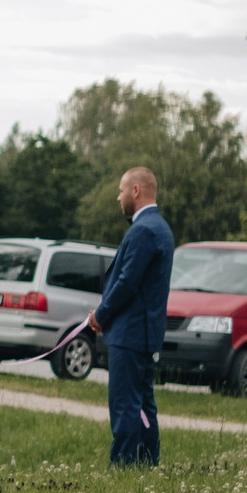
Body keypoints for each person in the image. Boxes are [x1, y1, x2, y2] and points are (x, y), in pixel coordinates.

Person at [85, 167, 174, 467]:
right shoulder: (160, 227)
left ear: (136, 191)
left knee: (125, 403)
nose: (118, 197)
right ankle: (148, 461)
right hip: (145, 333)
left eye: (122, 190)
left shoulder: (143, 229)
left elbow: (127, 282)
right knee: (143, 404)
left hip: (131, 332)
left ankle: (123, 465)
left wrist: (101, 313)